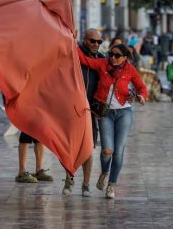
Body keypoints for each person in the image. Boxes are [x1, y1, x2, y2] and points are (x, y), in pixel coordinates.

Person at [77, 44, 147, 199]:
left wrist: (141, 96)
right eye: (111, 54)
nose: (112, 58)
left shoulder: (130, 69)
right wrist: (72, 40)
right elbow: (84, 60)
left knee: (119, 151)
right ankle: (104, 172)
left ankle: (111, 185)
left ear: (125, 57)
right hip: (106, 113)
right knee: (107, 150)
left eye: (116, 56)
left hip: (124, 113)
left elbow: (141, 87)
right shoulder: (103, 64)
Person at [62, 28, 105, 197]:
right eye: (93, 41)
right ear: (85, 40)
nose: (96, 44)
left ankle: (86, 185)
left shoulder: (101, 59)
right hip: (73, 107)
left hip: (92, 110)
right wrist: (71, 40)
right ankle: (68, 179)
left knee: (89, 148)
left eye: (99, 42)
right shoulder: (74, 54)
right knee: (70, 147)